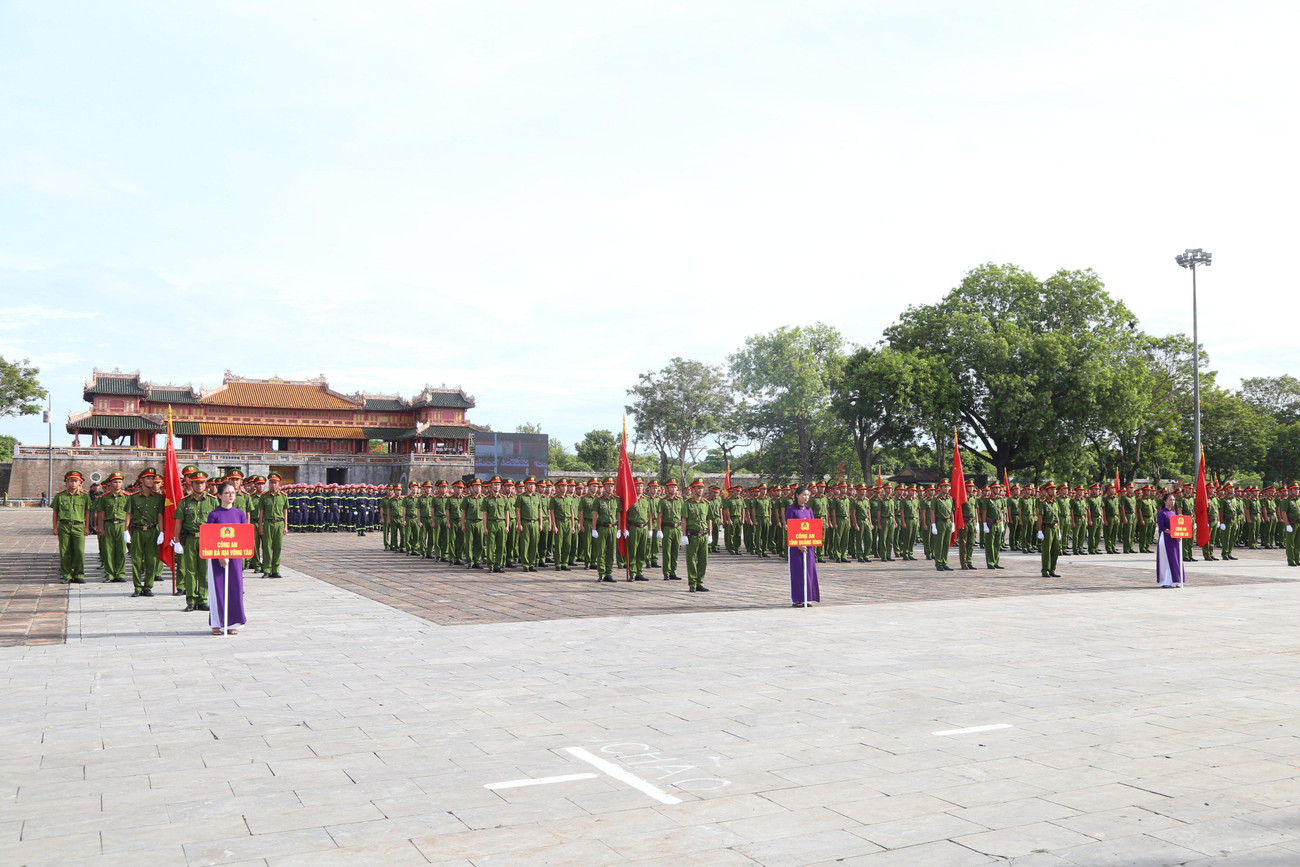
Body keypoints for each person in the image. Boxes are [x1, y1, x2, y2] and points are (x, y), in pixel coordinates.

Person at [206, 481, 249, 634]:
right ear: (219, 496)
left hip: (235, 557)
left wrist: (232, 553)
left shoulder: (240, 514)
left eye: (233, 492)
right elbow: (210, 538)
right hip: (217, 558)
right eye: (227, 493)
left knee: (235, 588)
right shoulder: (214, 515)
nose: (230, 495)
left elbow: (244, 536)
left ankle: (233, 624)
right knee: (218, 588)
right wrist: (221, 554)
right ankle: (217, 623)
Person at [51, 470, 91, 583]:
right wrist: (55, 527)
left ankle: (79, 574)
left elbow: (87, 512)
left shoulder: (84, 496)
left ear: (80, 483)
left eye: (75, 481)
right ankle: (67, 574)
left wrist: (87, 527)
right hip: (64, 525)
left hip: (78, 526)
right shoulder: (60, 496)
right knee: (65, 551)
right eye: (70, 481)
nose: (73, 483)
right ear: (66, 483)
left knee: (79, 551)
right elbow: (55, 512)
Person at [786, 485, 820, 607]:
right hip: (796, 546)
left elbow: (813, 527)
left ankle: (808, 597)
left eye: (808, 495)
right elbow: (789, 528)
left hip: (808, 545)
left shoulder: (809, 510)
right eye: (804, 495)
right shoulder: (792, 510)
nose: (806, 498)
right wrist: (798, 544)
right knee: (797, 572)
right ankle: (797, 599)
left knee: (809, 571)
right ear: (797, 495)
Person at [683, 479, 712, 591]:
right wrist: (684, 535)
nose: (700, 490)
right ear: (693, 489)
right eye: (698, 488)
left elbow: (709, 519)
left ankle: (700, 582)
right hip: (692, 535)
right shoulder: (688, 503)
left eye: (702, 488)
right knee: (691, 560)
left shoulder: (706, 503)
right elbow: (684, 519)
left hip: (703, 535)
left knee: (703, 560)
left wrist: (710, 534)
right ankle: (692, 583)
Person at [258, 472, 289, 578]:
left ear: (279, 484)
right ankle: (267, 570)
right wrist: (260, 526)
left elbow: (285, 511)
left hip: (279, 523)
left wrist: (285, 525)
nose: (273, 485)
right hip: (268, 523)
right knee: (266, 547)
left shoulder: (283, 497)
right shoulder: (264, 497)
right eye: (271, 483)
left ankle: (275, 569)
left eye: (275, 483)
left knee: (278, 547)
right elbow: (261, 512)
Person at [1155, 492, 1185, 588]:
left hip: (1175, 538)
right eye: (1170, 500)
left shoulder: (1173, 513)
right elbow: (1162, 527)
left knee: (1176, 558)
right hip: (1166, 538)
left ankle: (1176, 579)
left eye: (1173, 500)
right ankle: (1166, 580)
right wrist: (1173, 533)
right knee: (1166, 559)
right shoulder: (1162, 513)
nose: (1173, 502)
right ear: (1165, 501)